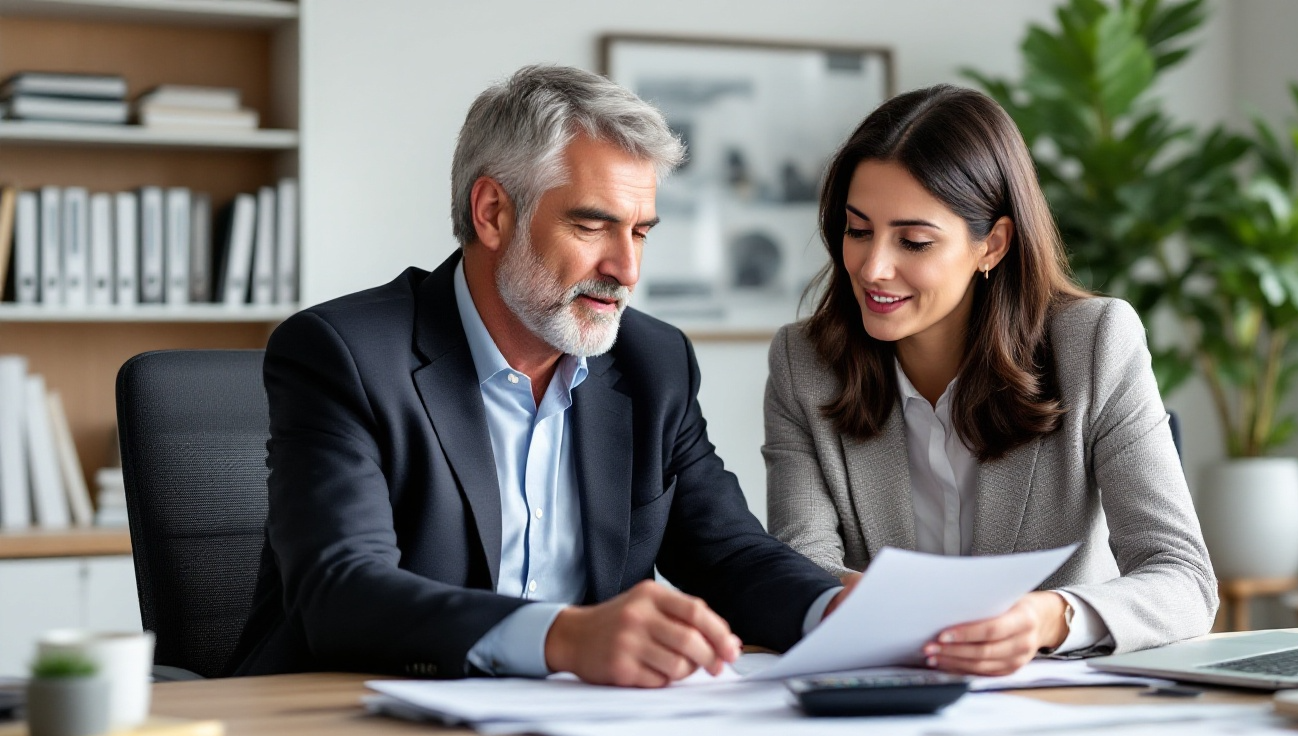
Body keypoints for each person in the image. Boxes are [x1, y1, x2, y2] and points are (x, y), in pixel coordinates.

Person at [227, 65, 841, 686]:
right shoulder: (346, 354)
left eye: (640, 233)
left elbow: (729, 555)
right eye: (592, 225)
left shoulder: (654, 363)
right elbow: (342, 592)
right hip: (358, 718)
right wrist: (563, 636)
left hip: (584, 728)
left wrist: (835, 612)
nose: (626, 269)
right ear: (493, 212)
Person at [763, 85, 1217, 676]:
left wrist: (1046, 618)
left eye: (914, 241)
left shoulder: (1095, 343)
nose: (872, 267)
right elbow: (800, 569)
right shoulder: (804, 364)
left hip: (1052, 705)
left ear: (992, 244)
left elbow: (1182, 576)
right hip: (886, 700)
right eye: (857, 230)